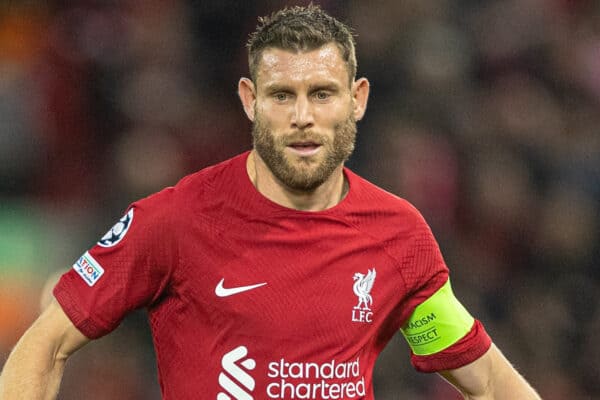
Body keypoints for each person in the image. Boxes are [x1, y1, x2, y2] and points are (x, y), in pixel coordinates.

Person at [0, 5, 541, 400]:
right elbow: (44, 346)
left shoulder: (398, 234)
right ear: (249, 100)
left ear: (358, 100)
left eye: (322, 93)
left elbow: (488, 382)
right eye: (283, 95)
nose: (302, 116)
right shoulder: (173, 219)